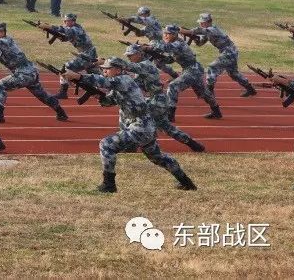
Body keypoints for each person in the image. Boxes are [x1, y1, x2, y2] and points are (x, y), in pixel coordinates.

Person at [64, 57, 197, 193]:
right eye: (103, 69)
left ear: (117, 70)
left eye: (107, 69)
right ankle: (186, 182)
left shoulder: (124, 80)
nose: (104, 71)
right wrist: (99, 96)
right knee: (158, 158)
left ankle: (109, 184)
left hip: (140, 126)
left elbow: (102, 81)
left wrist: (77, 76)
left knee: (106, 144)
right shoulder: (119, 85)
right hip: (144, 126)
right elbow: (108, 101)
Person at [0, 22, 68, 124]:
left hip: (25, 73)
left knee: (0, 85)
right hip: (29, 73)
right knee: (42, 95)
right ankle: (61, 112)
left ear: (2, 32)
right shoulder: (0, 45)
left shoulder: (5, 41)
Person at [122, 43, 205, 152]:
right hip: (156, 100)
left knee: (135, 118)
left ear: (139, 54)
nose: (128, 57)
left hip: (156, 101)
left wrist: (112, 64)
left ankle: (132, 146)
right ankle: (193, 144)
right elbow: (135, 83)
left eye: (130, 55)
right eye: (127, 55)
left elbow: (129, 67)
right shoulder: (141, 66)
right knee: (166, 127)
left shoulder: (145, 65)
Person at [154, 24, 222, 120]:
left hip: (192, 69)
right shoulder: (174, 43)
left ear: (174, 34)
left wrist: (151, 45)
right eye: (164, 33)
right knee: (203, 92)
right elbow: (171, 59)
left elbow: (166, 48)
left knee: (173, 86)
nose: (165, 35)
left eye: (168, 34)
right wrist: (159, 59)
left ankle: (170, 115)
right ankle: (216, 111)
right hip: (193, 69)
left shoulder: (178, 43)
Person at [186, 12, 256, 98]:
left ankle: (209, 92)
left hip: (229, 52)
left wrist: (186, 31)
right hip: (230, 52)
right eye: (200, 22)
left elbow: (199, 30)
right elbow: (200, 44)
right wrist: (195, 38)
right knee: (233, 74)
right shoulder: (208, 32)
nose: (200, 24)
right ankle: (250, 89)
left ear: (208, 22)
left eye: (202, 22)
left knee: (212, 67)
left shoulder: (213, 29)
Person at [36, 13, 99, 100]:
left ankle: (63, 92)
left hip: (87, 55)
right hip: (88, 53)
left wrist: (50, 27)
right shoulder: (71, 29)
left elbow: (64, 30)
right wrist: (49, 30)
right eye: (65, 21)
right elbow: (64, 38)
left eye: (68, 21)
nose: (66, 22)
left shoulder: (76, 29)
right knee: (97, 75)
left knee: (66, 68)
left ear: (73, 21)